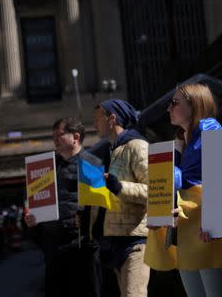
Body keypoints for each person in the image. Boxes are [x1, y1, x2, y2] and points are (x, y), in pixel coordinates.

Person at [145, 83, 222, 297]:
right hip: (189, 231)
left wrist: (216, 221)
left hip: (209, 231)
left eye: (174, 102)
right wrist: (159, 213)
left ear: (195, 104)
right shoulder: (182, 142)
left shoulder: (210, 131)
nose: (168, 108)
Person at [23, 117, 102, 297]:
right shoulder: (44, 168)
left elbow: (100, 209)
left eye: (59, 135)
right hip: (54, 249)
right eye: (53, 136)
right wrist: (30, 219)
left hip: (82, 249)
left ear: (75, 137)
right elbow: (31, 203)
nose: (54, 140)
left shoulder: (92, 164)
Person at [93, 99, 151, 297]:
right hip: (117, 242)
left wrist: (119, 187)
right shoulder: (115, 149)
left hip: (136, 242)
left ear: (112, 118)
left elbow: (156, 191)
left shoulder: (137, 146)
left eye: (98, 118)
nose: (94, 124)